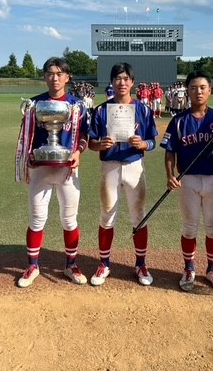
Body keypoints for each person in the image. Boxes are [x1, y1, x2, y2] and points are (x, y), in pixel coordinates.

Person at [16, 57, 90, 288]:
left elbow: (85, 135)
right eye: (50, 73)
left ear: (67, 77)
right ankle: (33, 265)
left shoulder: (77, 105)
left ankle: (71, 264)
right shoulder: (34, 104)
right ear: (45, 77)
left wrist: (78, 152)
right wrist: (29, 155)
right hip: (41, 169)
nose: (55, 78)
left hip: (67, 170)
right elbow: (27, 135)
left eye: (59, 73)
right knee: (37, 218)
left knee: (69, 219)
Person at [88, 62, 158, 286]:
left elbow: (152, 141)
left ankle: (141, 263)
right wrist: (100, 144)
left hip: (134, 165)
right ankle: (104, 263)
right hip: (109, 166)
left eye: (126, 78)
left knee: (139, 216)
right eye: (118, 78)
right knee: (107, 215)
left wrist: (143, 144)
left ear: (132, 82)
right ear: (112, 82)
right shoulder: (101, 110)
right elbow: (91, 143)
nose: (122, 82)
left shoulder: (143, 110)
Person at [160, 70, 213, 292]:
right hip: (188, 180)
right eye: (193, 88)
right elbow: (169, 151)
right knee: (189, 228)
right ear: (187, 92)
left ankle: (212, 269)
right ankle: (189, 268)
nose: (198, 92)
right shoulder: (178, 121)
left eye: (202, 88)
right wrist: (170, 175)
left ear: (210, 91)